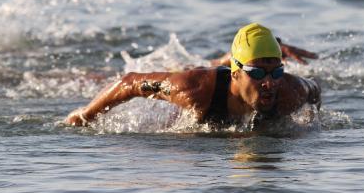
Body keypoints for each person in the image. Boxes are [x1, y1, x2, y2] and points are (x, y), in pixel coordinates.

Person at [65, 23, 321, 128]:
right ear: (236, 72)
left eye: (277, 71)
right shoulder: (194, 89)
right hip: (205, 77)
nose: (269, 83)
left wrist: (310, 121)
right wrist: (85, 116)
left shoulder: (290, 91)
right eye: (257, 73)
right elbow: (130, 82)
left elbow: (314, 92)